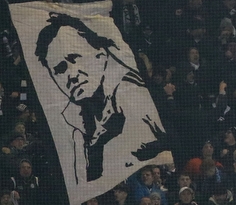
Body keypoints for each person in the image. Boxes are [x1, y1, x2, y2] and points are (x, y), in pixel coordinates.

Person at [35, 12, 168, 184]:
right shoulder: (71, 121)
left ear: (101, 54)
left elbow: (154, 143)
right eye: (60, 69)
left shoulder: (130, 92)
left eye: (75, 59)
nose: (71, 74)